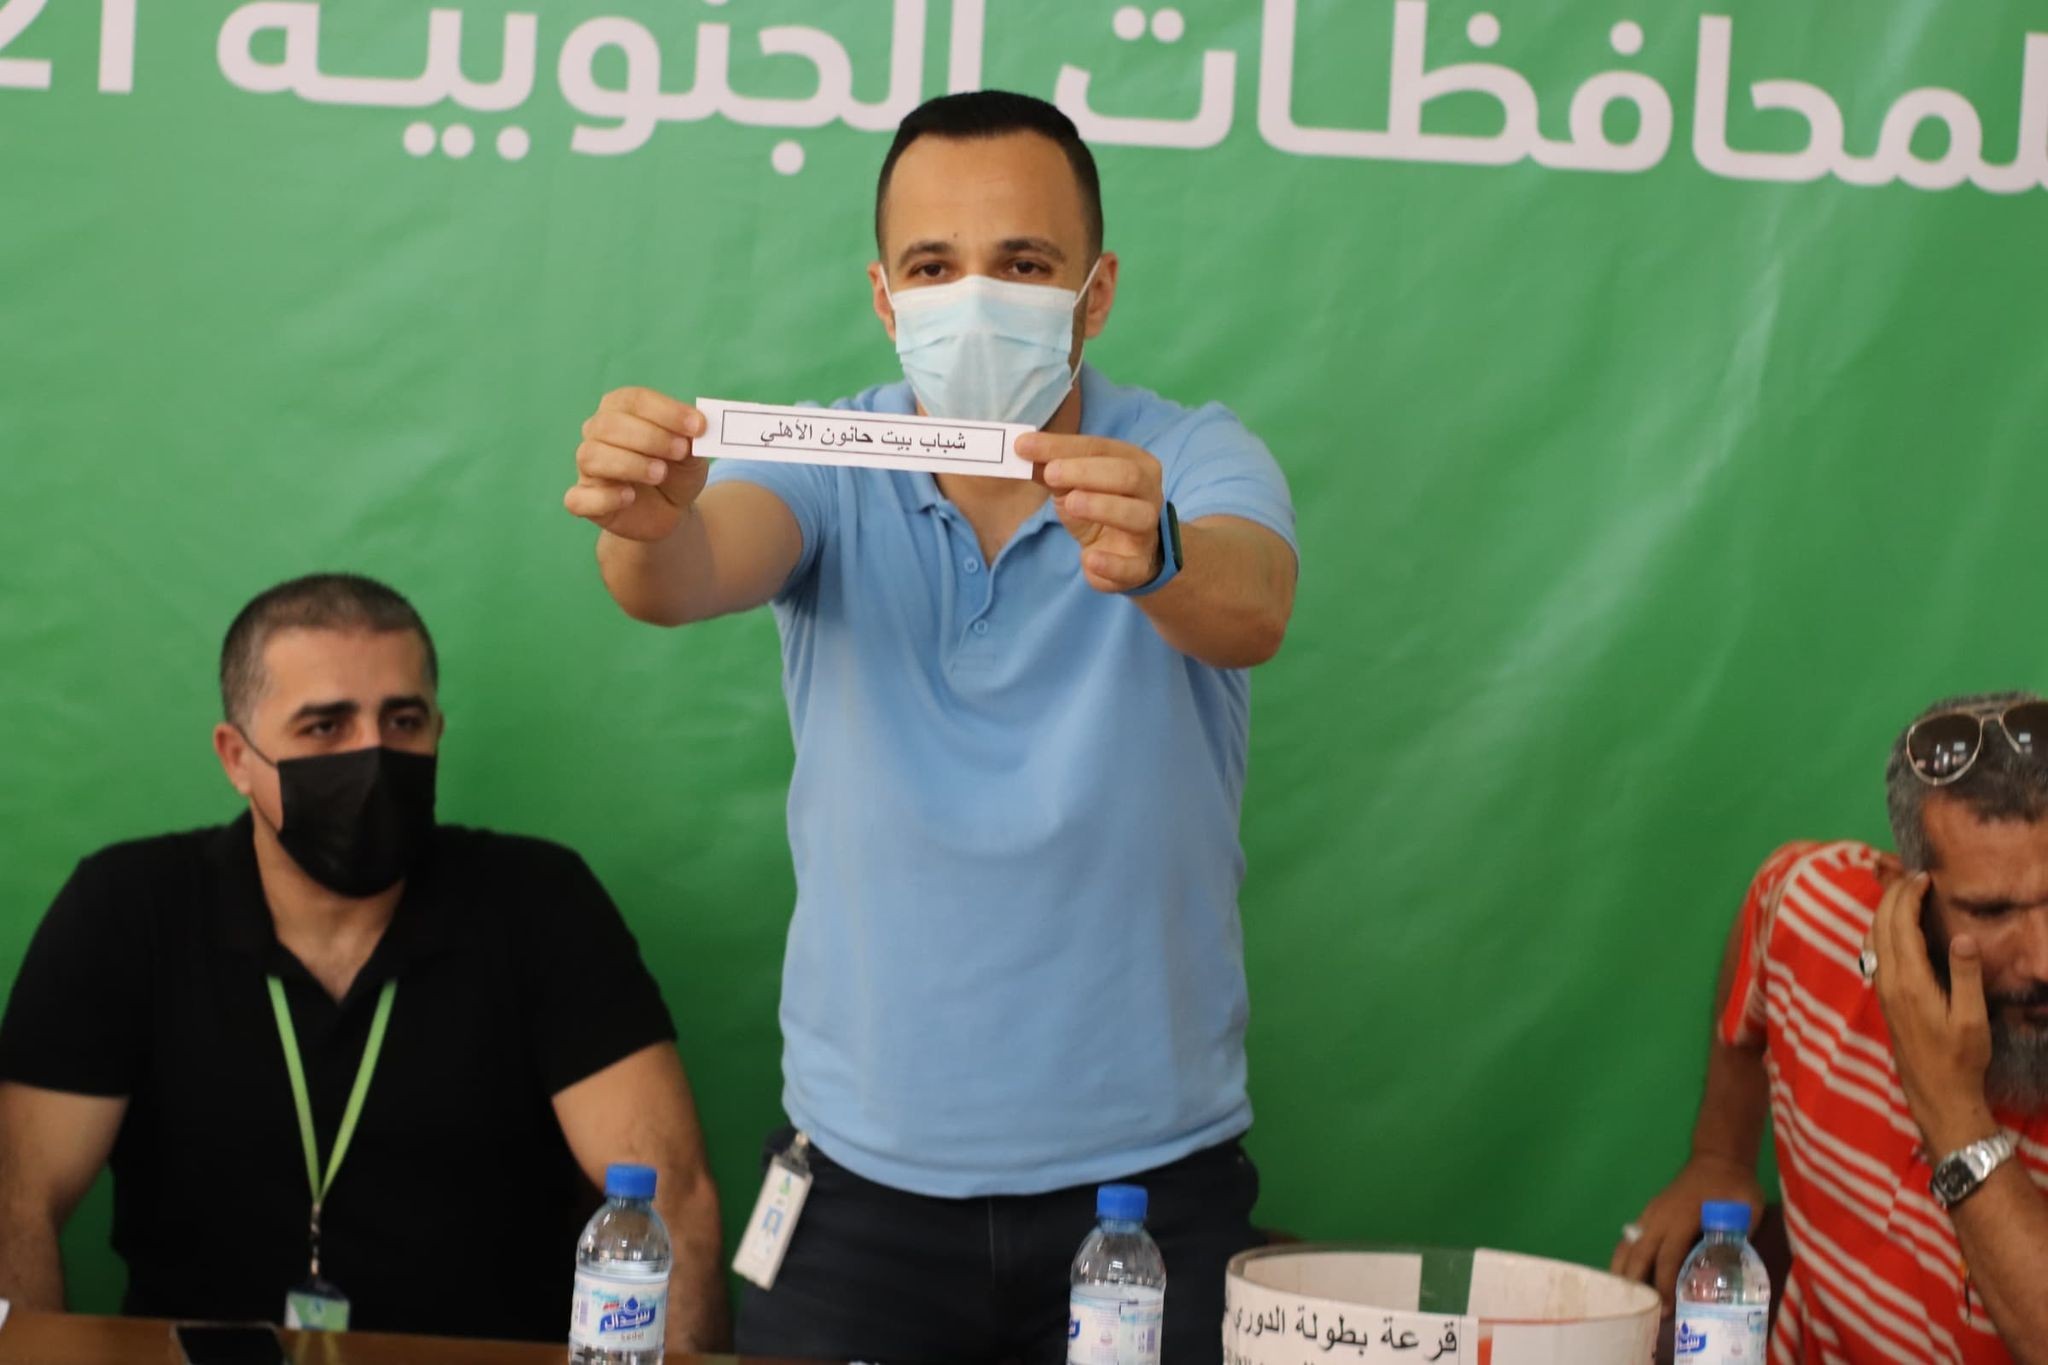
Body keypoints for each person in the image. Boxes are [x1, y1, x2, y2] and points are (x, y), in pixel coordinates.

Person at [563, 91, 1297, 1364]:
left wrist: (1157, 551)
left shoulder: (1190, 457)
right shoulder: (825, 458)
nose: (976, 297)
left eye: (1023, 263)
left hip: (1144, 1200)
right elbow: (680, 575)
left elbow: (1253, 606)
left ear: (1096, 291)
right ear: (884, 296)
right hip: (854, 1200)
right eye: (932, 266)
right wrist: (643, 519)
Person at [0, 573, 727, 1349]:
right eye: (325, 725)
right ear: (236, 757)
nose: (373, 756)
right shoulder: (129, 907)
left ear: (437, 730)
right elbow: (16, 1197)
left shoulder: (541, 901)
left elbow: (671, 1197)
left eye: (403, 721)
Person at [1617, 692, 2048, 1362]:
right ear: (1903, 892)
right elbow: (1769, 906)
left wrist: (1951, 1108)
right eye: (1992, 911)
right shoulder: (1817, 906)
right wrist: (1720, 1156)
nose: (2043, 959)